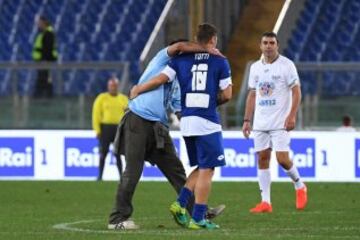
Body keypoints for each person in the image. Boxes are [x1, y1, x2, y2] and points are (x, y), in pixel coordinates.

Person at [108, 40, 225, 230]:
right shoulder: (162, 59)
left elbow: (181, 109)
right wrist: (207, 49)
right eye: (186, 53)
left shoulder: (178, 80)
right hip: (138, 119)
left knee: (177, 171)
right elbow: (179, 46)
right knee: (133, 171)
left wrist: (205, 109)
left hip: (159, 128)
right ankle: (117, 220)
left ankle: (199, 212)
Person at [242, 32, 308, 213]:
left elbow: (296, 92)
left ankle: (300, 185)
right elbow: (253, 94)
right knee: (262, 159)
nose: (268, 46)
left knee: (282, 159)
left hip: (280, 121)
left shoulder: (287, 65)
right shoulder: (255, 67)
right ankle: (266, 203)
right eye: (265, 43)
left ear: (277, 45)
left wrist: (292, 115)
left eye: (272, 43)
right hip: (260, 122)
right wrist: (247, 120)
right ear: (260, 46)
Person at [92, 77, 128, 181]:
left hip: (118, 128)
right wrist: (97, 130)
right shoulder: (102, 98)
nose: (113, 88)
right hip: (105, 129)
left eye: (115, 86)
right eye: (111, 86)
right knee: (103, 153)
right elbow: (96, 115)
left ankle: (121, 177)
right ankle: (100, 176)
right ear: (108, 86)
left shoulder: (123, 99)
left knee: (117, 154)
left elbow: (128, 115)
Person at [32, 15, 58, 98]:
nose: (38, 24)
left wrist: (45, 60)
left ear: (44, 22)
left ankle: (43, 98)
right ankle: (44, 97)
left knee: (44, 80)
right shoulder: (43, 33)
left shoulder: (48, 33)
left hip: (45, 62)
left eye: (39, 22)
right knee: (44, 80)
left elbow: (48, 49)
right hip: (41, 62)